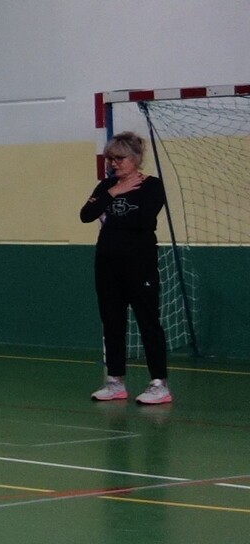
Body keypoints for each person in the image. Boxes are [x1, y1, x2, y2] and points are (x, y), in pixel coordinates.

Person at [83, 133, 172, 405]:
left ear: (135, 158)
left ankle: (159, 384)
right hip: (107, 264)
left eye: (119, 158)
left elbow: (141, 220)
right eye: (110, 159)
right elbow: (86, 215)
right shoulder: (106, 186)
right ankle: (115, 382)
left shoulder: (152, 186)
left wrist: (109, 204)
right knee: (112, 322)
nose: (113, 164)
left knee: (148, 322)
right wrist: (113, 192)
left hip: (139, 265)